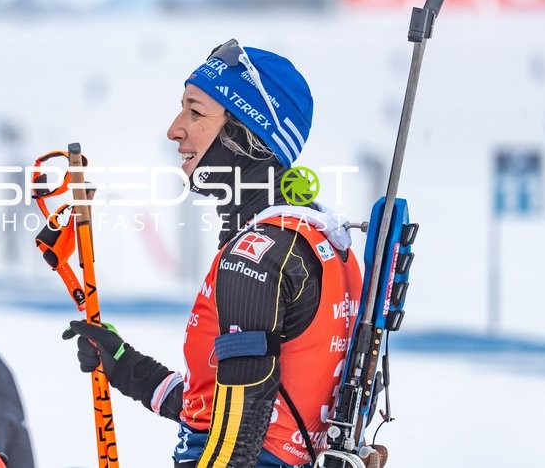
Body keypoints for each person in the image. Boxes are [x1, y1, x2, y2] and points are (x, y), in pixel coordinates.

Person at [63, 40, 386, 468]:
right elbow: (228, 409)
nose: (175, 129)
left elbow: (240, 435)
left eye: (196, 112)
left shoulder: (256, 257)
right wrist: (126, 367)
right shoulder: (318, 238)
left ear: (245, 135)